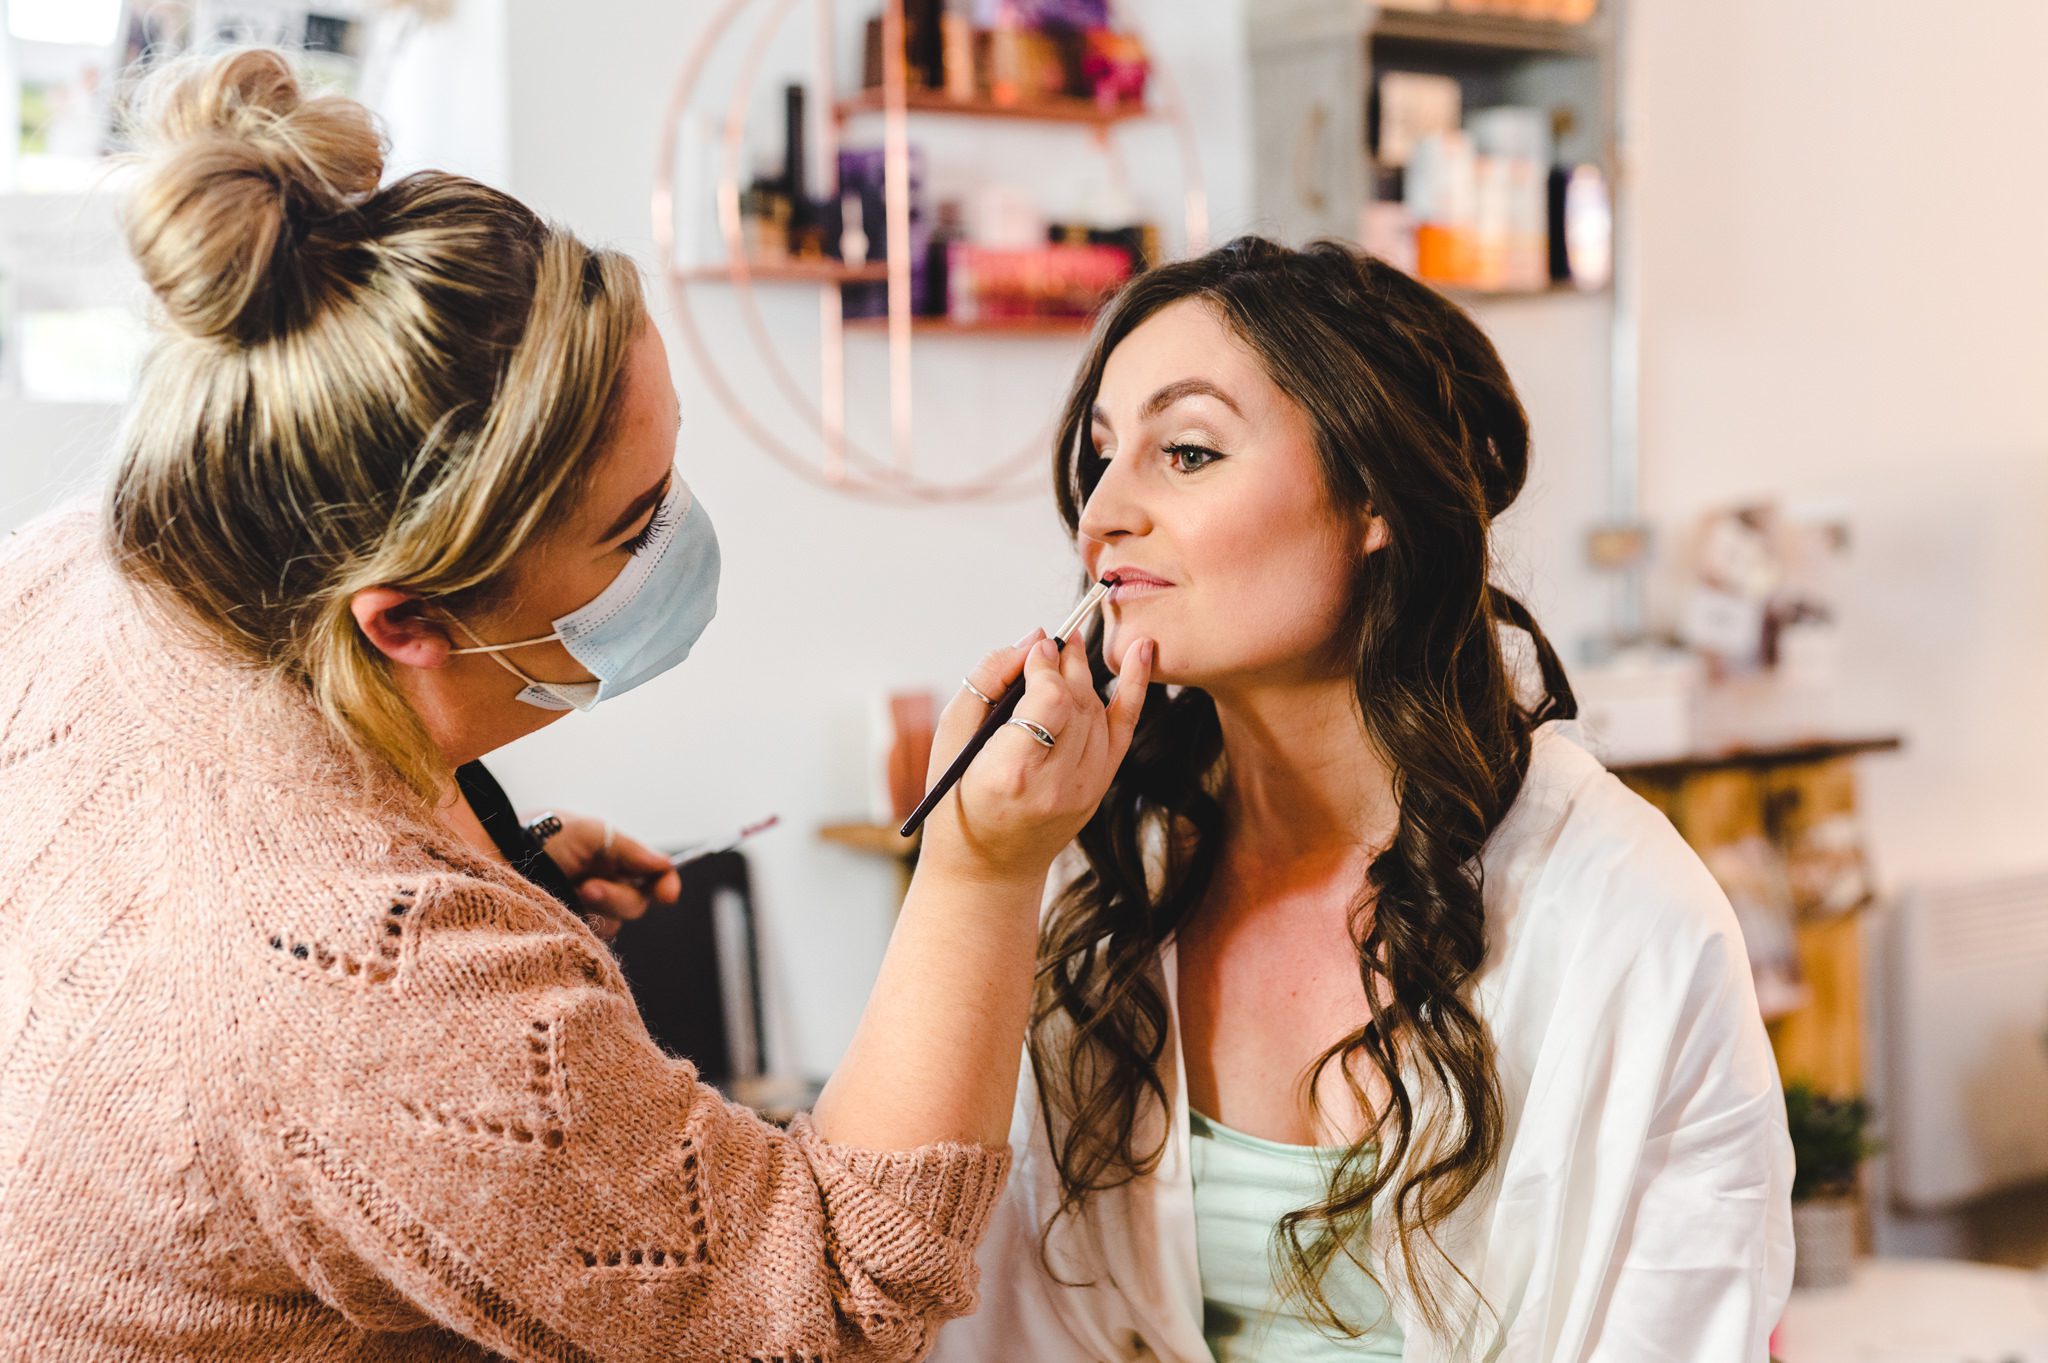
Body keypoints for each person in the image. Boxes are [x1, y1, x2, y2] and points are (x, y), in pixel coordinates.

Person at [0, 49, 1154, 1362]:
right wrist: (984, 864)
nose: (684, 538)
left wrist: (485, 873)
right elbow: (827, 1295)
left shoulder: (95, 565)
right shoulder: (374, 995)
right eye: (632, 526)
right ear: (409, 619)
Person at [930, 237, 1795, 1363]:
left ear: (1374, 497)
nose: (1103, 512)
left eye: (1185, 452)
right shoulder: (1104, 876)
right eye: (1099, 457)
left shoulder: (1625, 916)